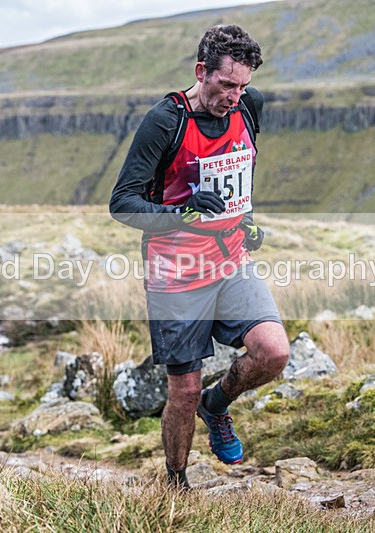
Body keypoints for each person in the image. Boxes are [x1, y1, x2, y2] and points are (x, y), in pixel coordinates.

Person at [110, 25, 289, 489]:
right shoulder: (164, 121)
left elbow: (239, 168)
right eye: (226, 84)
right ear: (200, 72)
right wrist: (181, 215)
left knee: (273, 352)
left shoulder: (251, 107)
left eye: (243, 85)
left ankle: (220, 403)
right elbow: (122, 204)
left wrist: (246, 218)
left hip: (230, 260)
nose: (235, 95)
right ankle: (176, 484)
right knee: (183, 391)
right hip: (176, 273)